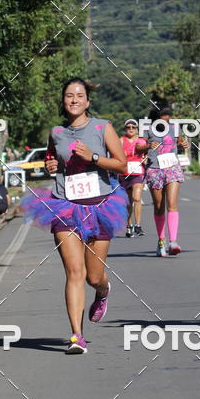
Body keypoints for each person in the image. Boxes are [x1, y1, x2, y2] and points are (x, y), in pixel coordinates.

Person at [20, 78, 127, 354]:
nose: (74, 100)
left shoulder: (103, 127)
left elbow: (122, 165)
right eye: (69, 95)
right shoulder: (56, 132)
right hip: (64, 204)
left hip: (100, 205)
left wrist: (92, 157)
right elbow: (53, 161)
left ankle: (103, 291)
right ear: (63, 101)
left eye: (80, 95)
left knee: (93, 276)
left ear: (88, 101)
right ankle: (77, 336)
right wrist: (51, 165)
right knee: (74, 272)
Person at [143, 106, 189, 257]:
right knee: (158, 207)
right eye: (164, 115)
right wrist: (147, 145)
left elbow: (181, 140)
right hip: (154, 169)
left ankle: (173, 242)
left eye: (169, 116)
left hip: (172, 167)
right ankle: (161, 241)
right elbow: (138, 147)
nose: (167, 118)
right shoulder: (148, 129)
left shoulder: (175, 127)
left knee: (172, 203)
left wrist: (183, 143)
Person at [119, 118, 148, 237]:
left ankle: (138, 225)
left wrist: (145, 158)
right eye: (128, 127)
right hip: (125, 174)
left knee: (137, 198)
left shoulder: (141, 141)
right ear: (125, 129)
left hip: (138, 172)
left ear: (137, 129)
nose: (131, 129)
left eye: (133, 127)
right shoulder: (121, 140)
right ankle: (129, 225)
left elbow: (146, 153)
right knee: (128, 202)